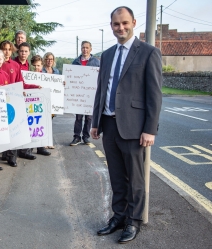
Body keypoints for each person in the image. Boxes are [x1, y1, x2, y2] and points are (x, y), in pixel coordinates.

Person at [91, 6, 162, 243]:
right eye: (115, 24)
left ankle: (133, 221)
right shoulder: (108, 54)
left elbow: (154, 95)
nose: (120, 28)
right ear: (111, 26)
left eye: (124, 23)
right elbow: (102, 90)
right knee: (117, 176)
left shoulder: (149, 53)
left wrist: (150, 129)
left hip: (134, 128)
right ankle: (118, 216)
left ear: (133, 22)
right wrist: (95, 122)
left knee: (136, 179)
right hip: (109, 126)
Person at [70, 41, 100, 146]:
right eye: (83, 48)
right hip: (79, 95)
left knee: (89, 117)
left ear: (91, 49)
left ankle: (86, 137)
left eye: (87, 48)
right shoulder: (75, 62)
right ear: (81, 49)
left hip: (91, 94)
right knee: (78, 117)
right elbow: (71, 77)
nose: (85, 50)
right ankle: (76, 137)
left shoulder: (96, 62)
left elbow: (100, 78)